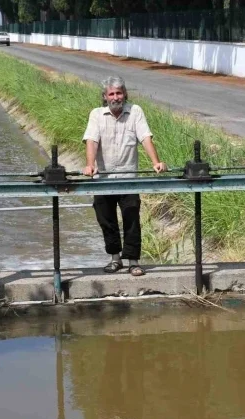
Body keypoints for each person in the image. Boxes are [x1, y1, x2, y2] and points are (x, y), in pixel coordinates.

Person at [82, 76, 167, 277]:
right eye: (111, 94)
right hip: (103, 180)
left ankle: (133, 262)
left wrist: (156, 161)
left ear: (125, 94)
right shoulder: (96, 115)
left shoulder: (135, 111)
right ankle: (115, 258)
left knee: (131, 218)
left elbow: (145, 137)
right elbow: (92, 141)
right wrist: (90, 165)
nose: (115, 97)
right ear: (105, 97)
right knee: (106, 219)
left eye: (119, 93)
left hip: (128, 177)